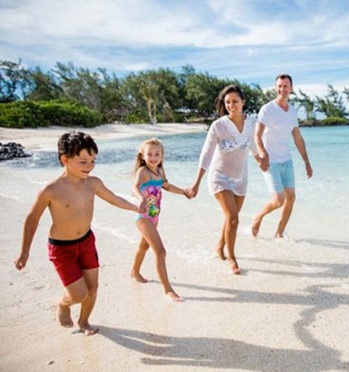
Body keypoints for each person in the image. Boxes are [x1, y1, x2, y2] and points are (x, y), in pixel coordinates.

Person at [14, 131, 144, 336]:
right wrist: (24, 251)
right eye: (83, 161)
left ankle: (84, 322)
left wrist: (136, 207)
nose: (89, 166)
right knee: (78, 293)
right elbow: (32, 219)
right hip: (61, 248)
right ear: (64, 159)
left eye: (93, 160)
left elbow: (114, 199)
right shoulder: (51, 189)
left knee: (92, 289)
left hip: (86, 241)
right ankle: (63, 305)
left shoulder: (93, 183)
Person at [188, 85, 260, 274]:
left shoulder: (251, 122)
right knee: (234, 219)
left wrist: (260, 158)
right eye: (227, 102)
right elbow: (206, 153)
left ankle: (219, 247)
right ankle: (232, 258)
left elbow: (251, 142)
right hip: (219, 178)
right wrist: (196, 182)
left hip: (241, 178)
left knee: (230, 218)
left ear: (243, 102)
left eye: (235, 101)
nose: (231, 105)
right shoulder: (218, 126)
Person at [251, 74, 313, 239]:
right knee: (278, 200)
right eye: (279, 86)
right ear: (275, 88)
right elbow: (257, 135)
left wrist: (306, 161)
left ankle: (279, 233)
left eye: (285, 86)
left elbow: (297, 137)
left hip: (286, 160)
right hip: (270, 162)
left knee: (291, 198)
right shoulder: (267, 109)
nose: (282, 89)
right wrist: (263, 154)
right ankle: (259, 216)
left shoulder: (292, 111)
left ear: (291, 89)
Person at [131, 138, 190, 302]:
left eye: (157, 154)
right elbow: (134, 187)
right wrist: (141, 198)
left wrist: (184, 192)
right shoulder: (143, 172)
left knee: (143, 246)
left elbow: (167, 186)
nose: (153, 157)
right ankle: (168, 290)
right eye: (149, 154)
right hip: (143, 217)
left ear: (162, 156)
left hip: (155, 216)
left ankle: (134, 272)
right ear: (143, 156)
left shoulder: (160, 172)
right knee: (160, 251)